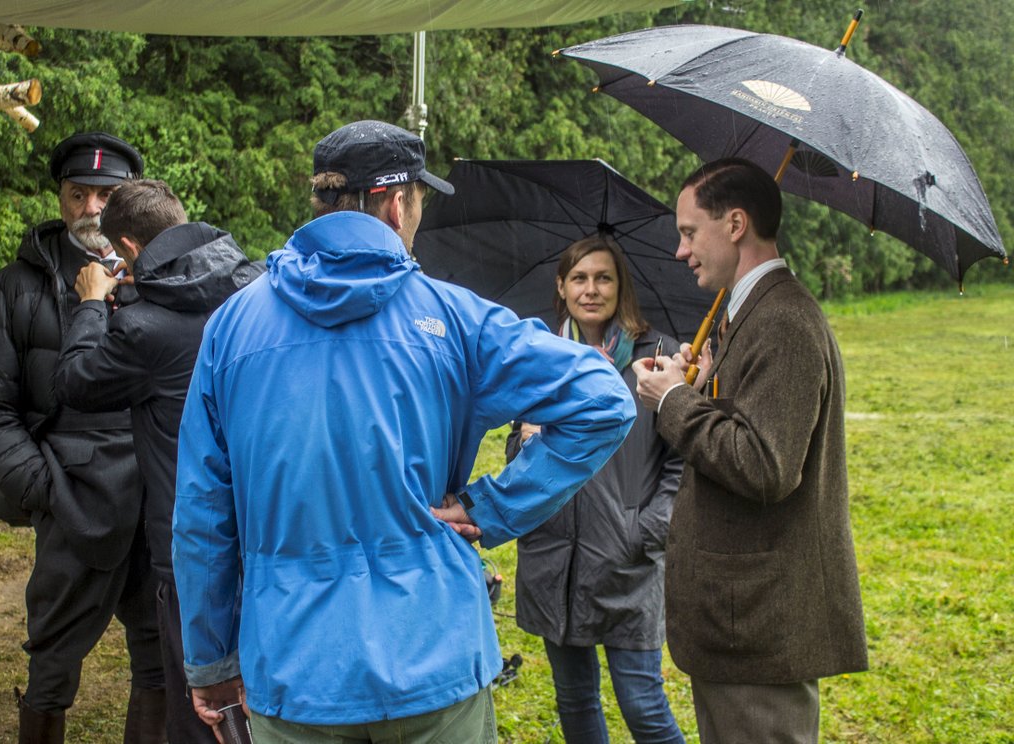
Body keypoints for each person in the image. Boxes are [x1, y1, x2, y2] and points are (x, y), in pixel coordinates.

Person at [172, 119, 638, 742]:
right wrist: (492, 507)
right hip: (433, 655)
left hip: (294, 667)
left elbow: (202, 512)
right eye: (419, 202)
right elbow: (604, 396)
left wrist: (209, 660)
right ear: (396, 203)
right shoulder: (455, 317)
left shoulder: (230, 328)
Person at [632, 158, 868, 743]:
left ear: (735, 224)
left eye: (690, 232)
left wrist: (673, 403)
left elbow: (766, 466)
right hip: (740, 628)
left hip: (760, 631)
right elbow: (749, 430)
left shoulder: (783, 321)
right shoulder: (752, 318)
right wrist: (702, 389)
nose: (681, 251)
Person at [0, 132, 166, 744]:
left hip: (155, 499)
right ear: (61, 197)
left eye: (105, 196)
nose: (91, 210)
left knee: (159, 659)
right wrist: (46, 488)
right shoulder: (14, 290)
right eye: (78, 194)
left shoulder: (165, 281)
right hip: (69, 495)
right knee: (51, 663)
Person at [53, 178, 262, 743]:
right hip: (270, 528)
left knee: (200, 708)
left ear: (130, 248)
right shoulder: (256, 291)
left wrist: (94, 304)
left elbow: (75, 381)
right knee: (265, 698)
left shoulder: (142, 328)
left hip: (189, 540)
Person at [508, 233, 685, 744]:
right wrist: (525, 439)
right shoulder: (540, 356)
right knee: (575, 703)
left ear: (619, 286)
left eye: (603, 277)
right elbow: (517, 457)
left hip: (625, 559)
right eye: (579, 278)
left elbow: (681, 462)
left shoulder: (656, 358)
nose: (591, 289)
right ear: (561, 287)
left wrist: (648, 529)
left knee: (644, 705)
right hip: (554, 559)